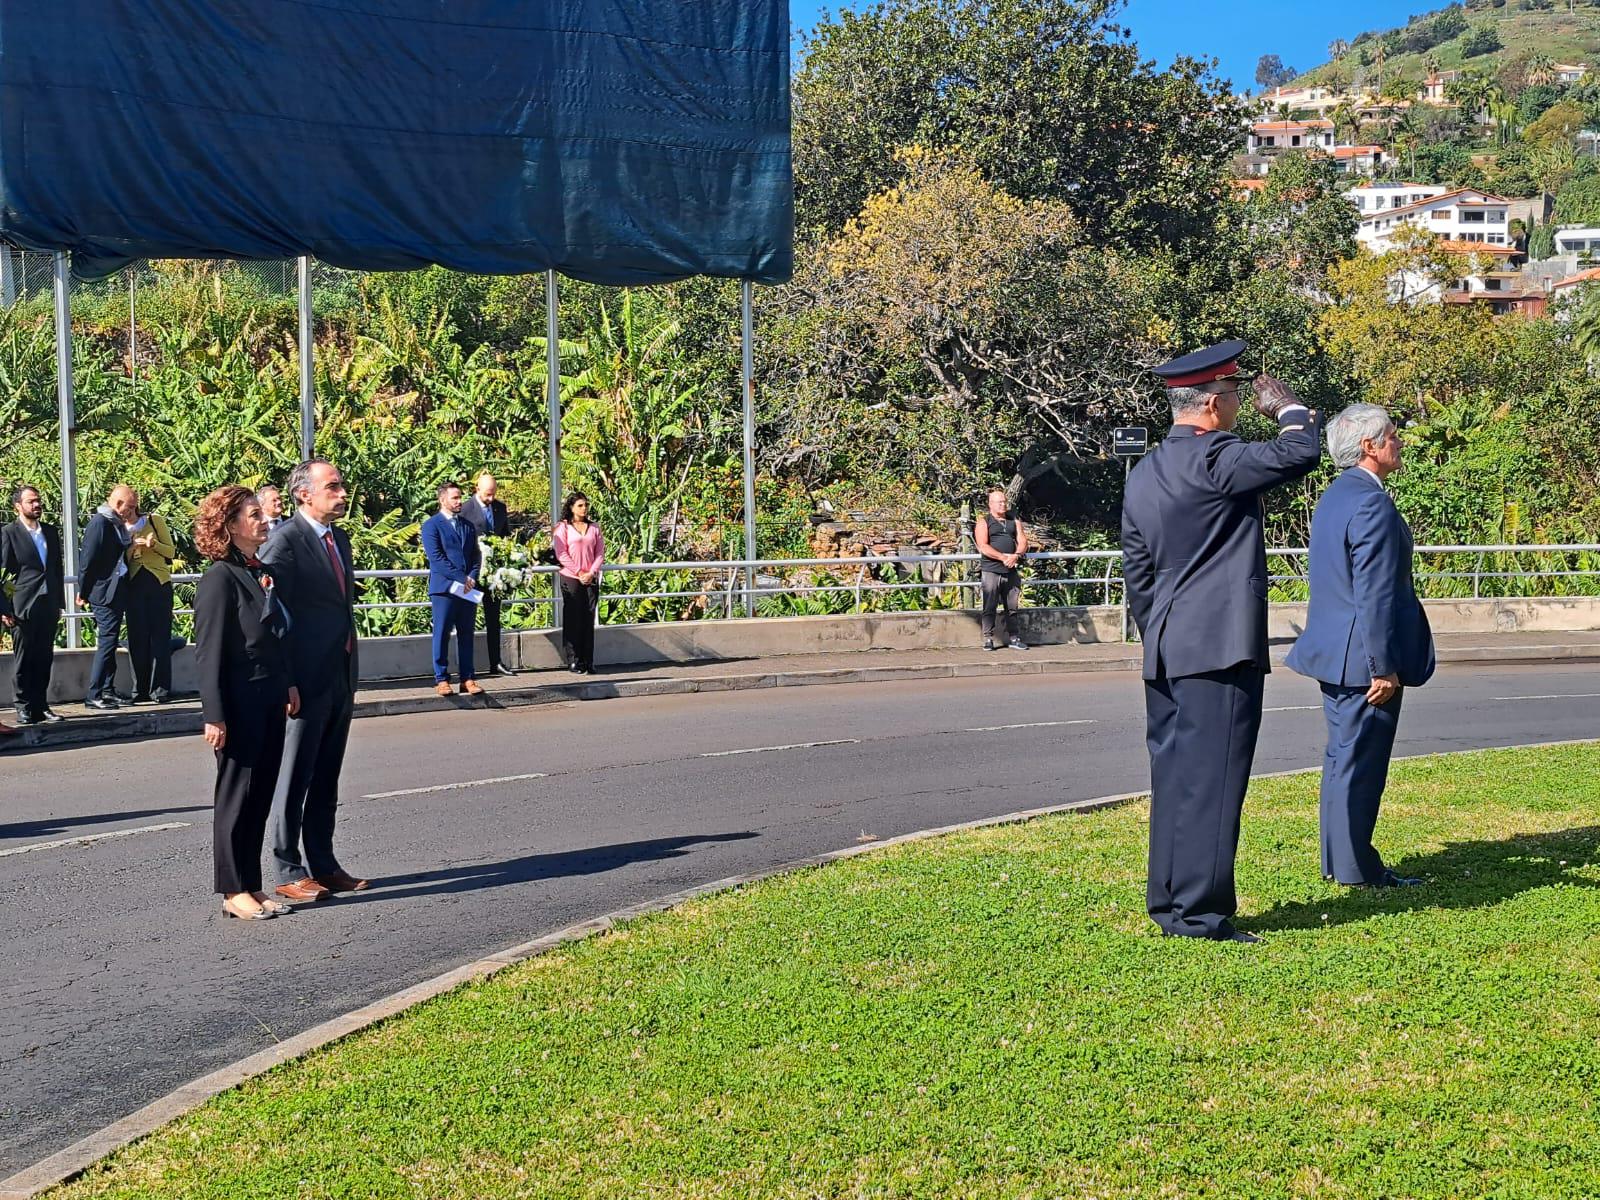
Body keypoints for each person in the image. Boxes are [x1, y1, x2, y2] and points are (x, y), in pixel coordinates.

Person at [1120, 340, 1321, 944]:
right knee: (1215, 780)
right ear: (1212, 403)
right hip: (1219, 649)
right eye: (1235, 393)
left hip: (1167, 647)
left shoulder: (1146, 470)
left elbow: (1139, 572)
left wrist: (1161, 629)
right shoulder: (1217, 457)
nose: (1238, 403)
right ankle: (1201, 914)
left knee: (1177, 779)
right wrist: (1288, 409)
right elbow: (1300, 451)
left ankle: (1170, 901)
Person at [1285, 404, 1434, 889]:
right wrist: (1382, 666)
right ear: (1369, 446)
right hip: (1362, 660)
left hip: (1337, 653)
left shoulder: (1336, 495)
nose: (1400, 440)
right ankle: (1356, 869)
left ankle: (1341, 862)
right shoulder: (1371, 502)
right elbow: (1373, 591)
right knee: (1360, 766)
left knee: (1342, 760)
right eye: (1392, 434)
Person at [258, 459, 367, 902]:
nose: (342, 494)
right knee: (294, 775)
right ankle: (287, 867)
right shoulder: (283, 542)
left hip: (339, 673)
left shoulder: (338, 538)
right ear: (304, 493)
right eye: (333, 487)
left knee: (327, 775)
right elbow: (270, 620)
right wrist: (285, 681)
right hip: (303, 679)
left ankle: (324, 863)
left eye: (341, 486)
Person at [193, 486, 300, 921]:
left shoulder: (258, 569)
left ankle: (251, 885)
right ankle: (232, 890)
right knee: (236, 798)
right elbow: (209, 651)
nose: (263, 520)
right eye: (252, 514)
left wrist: (289, 684)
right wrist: (214, 715)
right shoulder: (220, 577)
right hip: (238, 703)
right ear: (230, 525)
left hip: (269, 697)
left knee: (259, 796)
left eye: (261, 512)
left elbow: (275, 636)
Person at [0, 485, 66, 728]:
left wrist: (60, 602)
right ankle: (24, 706)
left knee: (43, 657)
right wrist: (4, 609)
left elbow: (56, 570)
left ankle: (41, 706)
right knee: (24, 659)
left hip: (47, 605)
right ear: (18, 506)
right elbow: (3, 573)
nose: (37, 505)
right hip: (22, 606)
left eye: (38, 500)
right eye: (31, 502)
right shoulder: (9, 533)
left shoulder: (49, 531)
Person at [421, 481, 484, 697]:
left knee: (467, 634)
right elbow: (436, 558)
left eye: (460, 497)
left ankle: (468, 678)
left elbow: (476, 555)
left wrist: (472, 577)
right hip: (444, 589)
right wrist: (461, 578)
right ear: (443, 500)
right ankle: (442, 679)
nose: (459, 501)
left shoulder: (467, 525)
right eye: (455, 498)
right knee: (442, 634)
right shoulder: (431, 525)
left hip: (466, 589)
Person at [78, 485, 138, 710]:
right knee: (107, 640)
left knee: (111, 640)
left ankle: (107, 689)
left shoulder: (115, 523)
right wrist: (83, 592)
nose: (131, 512)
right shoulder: (100, 523)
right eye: (129, 507)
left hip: (117, 588)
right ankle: (94, 693)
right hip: (103, 591)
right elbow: (88, 561)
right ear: (118, 504)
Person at [123, 489, 179, 704]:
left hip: (158, 583)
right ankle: (140, 690)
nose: (126, 511)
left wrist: (152, 544)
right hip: (133, 585)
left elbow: (171, 552)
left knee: (160, 638)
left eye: (129, 506)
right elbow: (120, 559)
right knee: (137, 639)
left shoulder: (154, 521)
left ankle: (161, 689)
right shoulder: (119, 528)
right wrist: (129, 546)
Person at [461, 472, 517, 675]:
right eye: (487, 494)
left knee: (494, 619)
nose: (491, 498)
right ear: (477, 489)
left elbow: (505, 538)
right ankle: (468, 667)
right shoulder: (465, 509)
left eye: (493, 494)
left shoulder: (500, 508)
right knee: (467, 619)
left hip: (494, 575)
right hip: (472, 574)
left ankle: (496, 662)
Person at [552, 492, 604, 674]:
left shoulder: (594, 528)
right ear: (572, 507)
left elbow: (599, 553)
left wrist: (591, 572)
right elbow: (561, 553)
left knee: (588, 618)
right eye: (580, 505)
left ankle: (587, 660)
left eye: (586, 505)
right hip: (571, 577)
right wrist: (578, 571)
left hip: (590, 577)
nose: (584, 509)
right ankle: (573, 660)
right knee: (574, 618)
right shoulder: (563, 528)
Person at [974, 488, 1028, 651]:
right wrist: (1003, 557)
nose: (1003, 505)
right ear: (991, 504)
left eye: (1004, 501)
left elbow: (1022, 540)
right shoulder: (984, 521)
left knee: (1012, 606)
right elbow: (983, 546)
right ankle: (988, 638)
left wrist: (1016, 555)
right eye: (999, 502)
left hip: (1011, 570)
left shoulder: (1014, 520)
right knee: (989, 605)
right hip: (992, 569)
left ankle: (1014, 637)